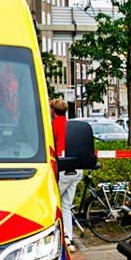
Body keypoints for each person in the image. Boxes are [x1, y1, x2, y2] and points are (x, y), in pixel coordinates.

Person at [51, 99, 81, 248]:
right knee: (66, 205)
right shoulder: (71, 125)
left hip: (63, 168)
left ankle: (54, 239)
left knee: (52, 203)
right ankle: (68, 238)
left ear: (52, 111)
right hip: (77, 168)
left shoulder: (53, 125)